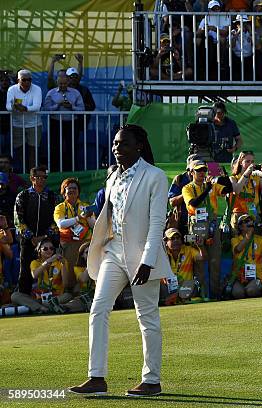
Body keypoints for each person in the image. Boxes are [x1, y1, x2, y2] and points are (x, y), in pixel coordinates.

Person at [69, 124, 172, 397]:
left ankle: (152, 380)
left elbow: (157, 223)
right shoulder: (112, 177)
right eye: (115, 144)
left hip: (142, 257)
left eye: (123, 143)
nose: (117, 148)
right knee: (98, 308)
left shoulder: (156, 177)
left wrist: (148, 261)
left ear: (139, 146)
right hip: (114, 253)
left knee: (147, 317)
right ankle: (96, 378)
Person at [181, 158, 231, 299]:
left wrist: (224, 175)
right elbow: (193, 203)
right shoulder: (187, 188)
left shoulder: (212, 185)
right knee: (200, 261)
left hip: (212, 224)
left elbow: (229, 189)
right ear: (192, 173)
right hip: (196, 226)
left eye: (204, 170)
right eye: (198, 171)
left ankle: (215, 295)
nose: (202, 173)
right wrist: (207, 189)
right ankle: (202, 295)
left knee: (215, 260)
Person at [13, 165, 59, 310]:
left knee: (53, 270)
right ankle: (25, 304)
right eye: (39, 177)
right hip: (28, 242)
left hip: (48, 242)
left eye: (44, 177)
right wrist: (32, 237)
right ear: (32, 178)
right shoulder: (23, 196)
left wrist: (44, 237)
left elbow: (56, 219)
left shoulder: (52, 196)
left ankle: (52, 301)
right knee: (26, 273)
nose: (42, 180)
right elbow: (18, 220)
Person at [54, 177, 96, 292]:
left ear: (78, 191)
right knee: (70, 277)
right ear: (64, 191)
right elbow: (61, 224)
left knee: (86, 272)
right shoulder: (60, 207)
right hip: (68, 245)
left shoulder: (85, 206)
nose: (72, 190)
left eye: (75, 188)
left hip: (85, 245)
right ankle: (71, 295)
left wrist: (89, 217)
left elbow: (93, 226)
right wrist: (79, 218)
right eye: (69, 188)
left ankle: (88, 293)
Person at [11, 237, 71, 314]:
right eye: (45, 249)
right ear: (39, 250)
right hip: (40, 298)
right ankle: (42, 308)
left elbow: (66, 284)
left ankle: (42, 307)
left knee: (68, 295)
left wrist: (63, 264)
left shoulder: (61, 261)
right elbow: (34, 275)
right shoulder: (35, 262)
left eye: (51, 248)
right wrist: (48, 261)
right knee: (15, 296)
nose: (49, 250)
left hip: (57, 297)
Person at [43, 75, 85, 172]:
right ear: (57, 83)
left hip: (71, 123)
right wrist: (57, 105)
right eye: (60, 83)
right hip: (56, 123)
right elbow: (46, 108)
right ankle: (55, 170)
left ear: (68, 83)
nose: (62, 85)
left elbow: (82, 109)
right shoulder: (51, 93)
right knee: (55, 147)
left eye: (65, 83)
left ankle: (72, 169)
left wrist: (72, 107)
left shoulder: (75, 93)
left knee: (72, 147)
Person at [229, 214, 262, 298]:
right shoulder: (235, 240)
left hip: (257, 276)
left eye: (251, 221)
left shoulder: (260, 239)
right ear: (240, 227)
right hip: (239, 278)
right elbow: (238, 249)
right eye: (246, 221)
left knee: (251, 291)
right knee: (238, 293)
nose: (250, 222)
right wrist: (248, 236)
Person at [5, 69, 42, 173]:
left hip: (34, 124)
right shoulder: (11, 89)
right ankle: (23, 173)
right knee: (19, 151)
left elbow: (37, 106)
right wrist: (14, 107)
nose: (27, 82)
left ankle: (33, 174)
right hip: (17, 124)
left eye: (29, 80)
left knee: (33, 151)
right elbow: (8, 106)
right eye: (24, 80)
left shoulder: (37, 89)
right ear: (18, 80)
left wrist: (24, 108)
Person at [229, 150, 262, 229]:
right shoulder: (233, 178)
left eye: (252, 161)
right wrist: (246, 173)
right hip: (239, 216)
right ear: (241, 162)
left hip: (253, 215)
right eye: (247, 161)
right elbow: (236, 190)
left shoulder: (255, 178)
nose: (250, 164)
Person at [161, 228, 205, 304]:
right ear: (166, 242)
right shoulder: (162, 254)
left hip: (185, 286)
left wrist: (200, 246)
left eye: (178, 238)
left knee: (191, 287)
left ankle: (173, 299)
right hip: (169, 288)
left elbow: (202, 257)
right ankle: (176, 299)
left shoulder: (188, 250)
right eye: (172, 239)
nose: (176, 241)